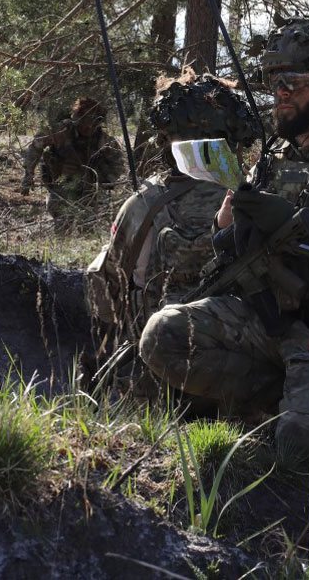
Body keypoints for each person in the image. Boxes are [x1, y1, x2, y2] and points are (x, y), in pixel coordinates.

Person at [139, 18, 309, 467]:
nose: (281, 94)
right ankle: (286, 396)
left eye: (296, 83)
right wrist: (225, 227)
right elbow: (233, 249)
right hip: (270, 324)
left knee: (303, 444)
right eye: (275, 82)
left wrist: (299, 228)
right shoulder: (272, 161)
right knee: (163, 336)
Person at [83, 71, 260, 392]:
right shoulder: (259, 198)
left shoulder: (144, 205)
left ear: (169, 138)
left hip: (155, 381)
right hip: (242, 379)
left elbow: (105, 298)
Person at [19, 96, 126, 219]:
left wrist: (107, 181)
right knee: (60, 216)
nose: (89, 128)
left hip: (93, 191)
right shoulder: (61, 131)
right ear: (77, 119)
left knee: (92, 223)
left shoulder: (105, 142)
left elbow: (119, 166)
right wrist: (28, 174)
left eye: (94, 124)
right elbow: (35, 146)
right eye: (85, 123)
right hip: (63, 187)